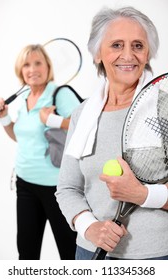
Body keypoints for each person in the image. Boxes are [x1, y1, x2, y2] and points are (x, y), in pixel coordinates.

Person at [55, 6, 168, 260]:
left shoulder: (165, 108)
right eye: (116, 45)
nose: (128, 55)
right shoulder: (83, 114)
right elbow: (67, 188)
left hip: (156, 257)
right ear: (98, 54)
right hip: (89, 252)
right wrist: (89, 226)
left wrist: (143, 195)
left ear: (148, 53)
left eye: (138, 45)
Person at [0, 44, 80, 260]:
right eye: (26, 64)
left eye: (38, 63)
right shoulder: (24, 99)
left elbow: (82, 129)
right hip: (25, 185)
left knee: (69, 254)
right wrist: (4, 116)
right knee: (27, 253)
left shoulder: (59, 94)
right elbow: (19, 136)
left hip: (57, 188)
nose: (32, 69)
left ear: (48, 66)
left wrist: (52, 120)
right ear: (20, 70)